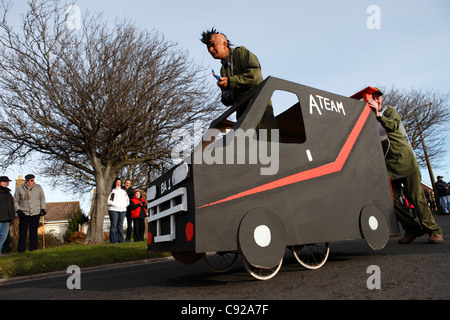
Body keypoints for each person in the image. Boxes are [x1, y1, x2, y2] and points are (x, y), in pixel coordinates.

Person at [368, 89, 443, 244]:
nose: (376, 100)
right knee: (390, 199)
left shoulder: (389, 111)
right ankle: (412, 229)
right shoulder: (367, 119)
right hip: (388, 165)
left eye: (378, 97)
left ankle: (434, 230)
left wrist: (378, 114)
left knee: (415, 196)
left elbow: (394, 126)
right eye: (372, 97)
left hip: (405, 159)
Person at [200, 28, 277, 136]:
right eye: (208, 48)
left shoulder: (240, 53)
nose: (210, 50)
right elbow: (231, 97)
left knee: (269, 148)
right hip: (242, 116)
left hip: (259, 109)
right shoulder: (223, 69)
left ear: (224, 43)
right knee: (247, 150)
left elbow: (254, 76)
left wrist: (230, 81)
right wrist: (227, 97)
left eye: (213, 45)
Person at [14, 174, 47, 252]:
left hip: (35, 212)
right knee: (23, 233)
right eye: (28, 180)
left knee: (33, 232)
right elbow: (15, 201)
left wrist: (43, 209)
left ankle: (33, 249)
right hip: (24, 213)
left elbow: (42, 198)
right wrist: (18, 210)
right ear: (25, 180)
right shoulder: (19, 189)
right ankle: (21, 250)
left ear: (33, 180)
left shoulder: (38, 188)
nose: (29, 182)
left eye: (31, 180)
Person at [107, 178, 129, 243]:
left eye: (119, 182)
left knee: (120, 225)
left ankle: (121, 240)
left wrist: (123, 206)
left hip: (123, 210)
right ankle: (113, 241)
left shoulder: (124, 192)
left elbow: (127, 201)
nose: (118, 184)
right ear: (115, 183)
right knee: (114, 225)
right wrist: (116, 205)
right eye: (117, 182)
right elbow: (108, 201)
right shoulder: (112, 191)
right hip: (113, 210)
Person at [0, 176, 15, 256]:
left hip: (6, 219)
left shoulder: (8, 194)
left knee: (3, 237)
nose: (7, 183)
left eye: (7, 181)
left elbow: (11, 205)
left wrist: (12, 216)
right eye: (5, 181)